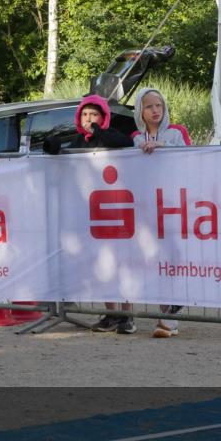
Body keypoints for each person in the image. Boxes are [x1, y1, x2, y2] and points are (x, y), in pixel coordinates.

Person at [43, 94, 136, 333]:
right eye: (84, 114)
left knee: (120, 263)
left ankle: (127, 314)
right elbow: (63, 156)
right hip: (90, 212)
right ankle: (112, 313)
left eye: (94, 114)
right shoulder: (78, 140)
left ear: (103, 117)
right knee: (101, 265)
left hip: (115, 208)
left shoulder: (110, 134)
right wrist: (53, 146)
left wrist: (97, 131)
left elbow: (125, 143)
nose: (88, 119)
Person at [132, 87, 189, 338]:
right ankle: (166, 317)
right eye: (149, 106)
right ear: (140, 111)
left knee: (176, 256)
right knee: (158, 260)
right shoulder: (136, 137)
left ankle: (171, 314)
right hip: (148, 207)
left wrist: (163, 146)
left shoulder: (177, 132)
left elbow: (192, 158)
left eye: (159, 105)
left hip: (176, 203)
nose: (155, 110)